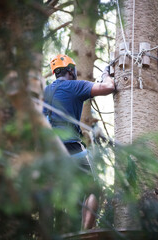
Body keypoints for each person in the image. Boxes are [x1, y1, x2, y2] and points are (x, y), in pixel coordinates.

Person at [43, 54, 115, 230]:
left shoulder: (44, 91)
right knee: (93, 190)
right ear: (70, 70)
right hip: (70, 147)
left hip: (47, 152)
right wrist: (106, 73)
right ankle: (85, 233)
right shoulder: (74, 86)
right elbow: (108, 87)